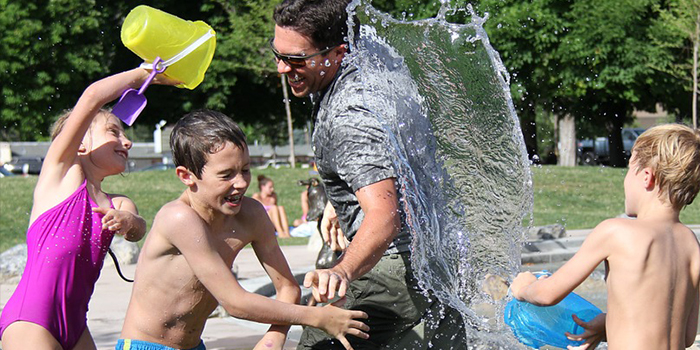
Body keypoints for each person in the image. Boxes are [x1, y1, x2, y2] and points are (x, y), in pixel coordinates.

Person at [272, 1, 467, 348]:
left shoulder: (349, 116)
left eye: (297, 60)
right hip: (443, 252)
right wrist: (341, 197)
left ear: (338, 51)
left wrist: (341, 270)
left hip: (395, 265)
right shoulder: (375, 54)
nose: (282, 69)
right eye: (278, 54)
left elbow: (384, 216)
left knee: (319, 341)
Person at [117, 110, 369, 350]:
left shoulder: (251, 215)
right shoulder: (179, 218)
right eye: (226, 175)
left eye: (245, 170)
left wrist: (273, 338)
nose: (240, 183)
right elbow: (234, 302)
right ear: (186, 176)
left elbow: (287, 288)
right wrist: (317, 317)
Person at [0, 68, 166, 350]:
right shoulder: (61, 176)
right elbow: (92, 97)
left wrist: (128, 221)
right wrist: (144, 73)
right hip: (31, 320)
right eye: (114, 132)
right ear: (80, 144)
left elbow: (138, 229)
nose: (127, 142)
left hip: (77, 325)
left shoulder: (117, 203)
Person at [511, 124, 700, 350]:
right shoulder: (691, 244)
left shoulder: (616, 232)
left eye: (629, 170)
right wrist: (609, 324)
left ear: (646, 177)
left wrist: (524, 287)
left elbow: (547, 294)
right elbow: (686, 335)